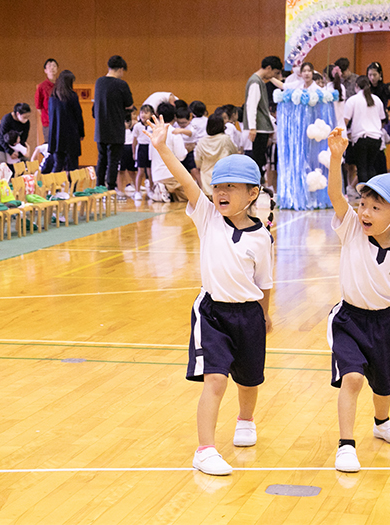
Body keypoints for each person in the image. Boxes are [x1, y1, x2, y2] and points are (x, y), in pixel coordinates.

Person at [145, 115, 273, 476]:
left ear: (252, 194)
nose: (221, 193)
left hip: (248, 315)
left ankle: (245, 420)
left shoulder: (262, 238)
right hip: (212, 313)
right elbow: (186, 180)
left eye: (231, 187)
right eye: (218, 186)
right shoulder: (207, 216)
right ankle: (205, 449)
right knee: (215, 378)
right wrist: (161, 146)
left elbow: (264, 283)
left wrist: (265, 315)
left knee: (250, 378)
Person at [326, 129, 390, 473]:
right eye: (363, 204)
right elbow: (336, 194)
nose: (364, 211)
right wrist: (336, 156)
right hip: (349, 320)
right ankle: (346, 444)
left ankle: (382, 422)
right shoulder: (351, 228)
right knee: (352, 378)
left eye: (375, 207)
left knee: (383, 381)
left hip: (384, 322)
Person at [93, 55, 134, 190]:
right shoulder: (121, 84)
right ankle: (110, 188)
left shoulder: (99, 82)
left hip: (100, 128)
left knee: (102, 159)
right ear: (121, 69)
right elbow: (129, 105)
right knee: (113, 161)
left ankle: (99, 186)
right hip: (116, 128)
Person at [244, 56, 283, 181]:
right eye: (275, 73)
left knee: (260, 160)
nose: (274, 76)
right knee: (258, 161)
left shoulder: (258, 81)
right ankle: (257, 188)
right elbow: (251, 106)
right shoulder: (255, 82)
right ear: (268, 68)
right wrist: (252, 128)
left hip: (261, 128)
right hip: (259, 128)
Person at [343, 76, 386, 184]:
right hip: (376, 138)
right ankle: (371, 193)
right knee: (371, 166)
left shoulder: (353, 100)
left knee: (361, 167)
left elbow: (345, 121)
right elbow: (382, 120)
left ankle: (364, 194)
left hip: (361, 137)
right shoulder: (377, 99)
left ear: (356, 86)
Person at [148, 102, 187, 202]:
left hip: (156, 175)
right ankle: (166, 189)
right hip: (171, 175)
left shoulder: (154, 132)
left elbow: (150, 157)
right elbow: (181, 156)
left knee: (175, 199)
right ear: (174, 116)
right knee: (191, 195)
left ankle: (162, 190)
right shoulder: (175, 132)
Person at [48, 69, 85, 172]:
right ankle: (74, 187)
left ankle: (54, 187)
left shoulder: (52, 97)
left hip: (56, 136)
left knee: (58, 165)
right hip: (70, 136)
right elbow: (78, 115)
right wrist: (81, 132)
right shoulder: (72, 96)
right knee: (72, 166)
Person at [194, 114, 239, 194]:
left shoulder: (201, 141)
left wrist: (200, 167)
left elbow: (198, 161)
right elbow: (235, 152)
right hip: (223, 174)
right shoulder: (225, 139)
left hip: (206, 176)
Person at [132, 104, 154, 201]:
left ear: (151, 114)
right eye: (141, 112)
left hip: (151, 149)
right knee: (140, 171)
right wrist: (133, 153)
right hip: (141, 148)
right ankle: (137, 191)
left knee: (150, 172)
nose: (143, 115)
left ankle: (152, 190)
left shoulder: (153, 126)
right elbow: (134, 141)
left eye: (146, 112)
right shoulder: (137, 126)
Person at [35, 58, 59, 143]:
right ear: (45, 70)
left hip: (61, 122)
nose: (52, 68)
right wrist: (47, 116)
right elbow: (38, 106)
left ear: (57, 69)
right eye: (49, 66)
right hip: (48, 122)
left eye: (54, 66)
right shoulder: (41, 87)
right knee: (49, 146)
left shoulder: (61, 85)